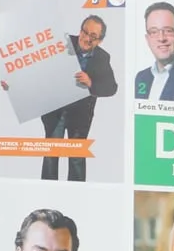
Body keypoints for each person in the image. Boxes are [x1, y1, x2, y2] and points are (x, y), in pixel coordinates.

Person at [38, 15, 117, 181]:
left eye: (93, 37)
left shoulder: (102, 58)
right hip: (55, 112)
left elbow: (111, 88)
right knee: (51, 154)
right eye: (84, 32)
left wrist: (90, 82)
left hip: (80, 117)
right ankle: (47, 192)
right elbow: (38, 68)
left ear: (100, 41)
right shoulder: (62, 43)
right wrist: (13, 85)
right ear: (80, 30)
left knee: (76, 159)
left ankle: (77, 195)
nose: (87, 38)